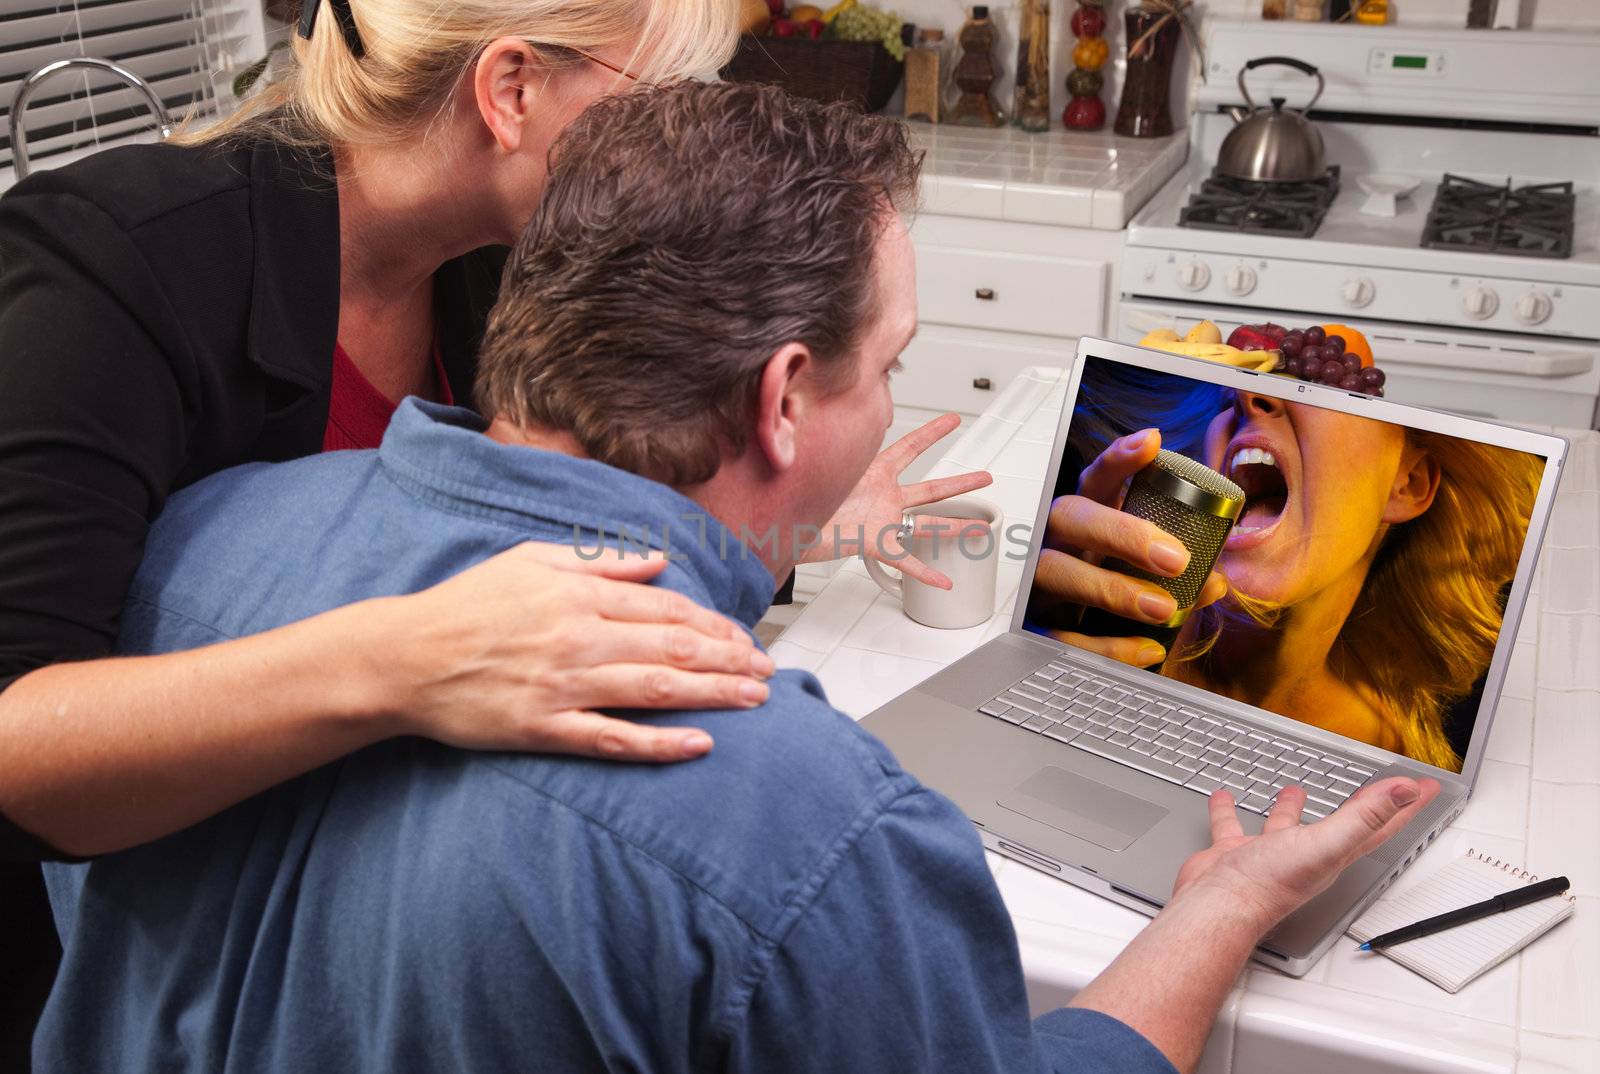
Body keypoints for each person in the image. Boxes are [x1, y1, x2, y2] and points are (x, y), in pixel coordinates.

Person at [37, 81, 1440, 1074]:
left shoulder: (199, 543)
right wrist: (1219, 908)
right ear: (782, 400)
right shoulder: (805, 821)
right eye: (887, 367)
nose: (888, 402)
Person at [0, 1, 984, 1059]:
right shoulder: (115, 273)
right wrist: (411, 656)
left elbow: (552, 493)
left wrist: (799, 515)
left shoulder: (500, 256)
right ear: (510, 89)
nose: (683, 136)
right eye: (661, 96)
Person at [1035, 358, 1541, 770]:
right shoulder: (1104, 632)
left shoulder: (1396, 763)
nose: (1246, 396)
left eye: (1324, 394)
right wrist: (1031, 656)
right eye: (1229, 390)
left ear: (1407, 485)